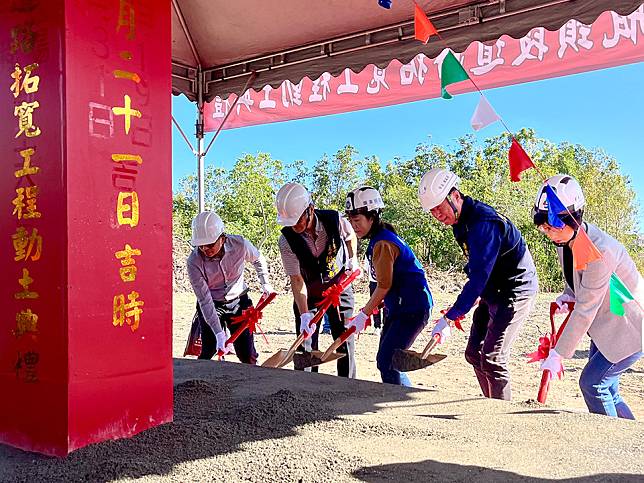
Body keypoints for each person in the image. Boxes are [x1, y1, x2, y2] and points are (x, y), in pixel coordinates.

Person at [418, 168, 538, 400]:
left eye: (439, 207)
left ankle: (500, 417)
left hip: (515, 290)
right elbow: (476, 266)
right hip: (493, 289)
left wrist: (450, 317)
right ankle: (490, 403)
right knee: (474, 353)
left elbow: (479, 276)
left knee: (493, 359)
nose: (437, 215)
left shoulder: (483, 223)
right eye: (431, 211)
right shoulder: (460, 223)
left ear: (455, 196)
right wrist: (460, 309)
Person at [534, 175, 643, 419]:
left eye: (555, 226)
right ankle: (631, 440)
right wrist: (567, 295)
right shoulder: (569, 240)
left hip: (630, 327)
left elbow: (586, 308)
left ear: (575, 217)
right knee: (610, 391)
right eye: (545, 227)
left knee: (594, 385)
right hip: (607, 327)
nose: (550, 233)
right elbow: (578, 282)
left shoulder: (600, 250)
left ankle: (610, 443)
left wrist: (558, 354)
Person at [344, 186, 433, 386]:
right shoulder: (378, 239)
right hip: (400, 308)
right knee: (386, 361)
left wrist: (363, 314)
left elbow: (383, 286)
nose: (353, 226)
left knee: (389, 362)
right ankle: (402, 399)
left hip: (412, 309)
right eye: (350, 221)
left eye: (357, 220)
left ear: (372, 217)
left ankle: (402, 403)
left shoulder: (383, 243)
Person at [275, 182, 358, 377]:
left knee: (344, 338)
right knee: (306, 346)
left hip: (339, 287)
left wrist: (352, 258)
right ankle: (306, 387)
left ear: (310, 210)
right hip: (309, 293)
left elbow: (350, 235)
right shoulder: (286, 239)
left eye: (298, 221)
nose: (294, 227)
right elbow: (296, 279)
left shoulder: (334, 219)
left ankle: (347, 385)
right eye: (290, 223)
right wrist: (305, 315)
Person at [187, 211, 274, 364]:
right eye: (201, 246)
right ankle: (200, 384)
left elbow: (258, 258)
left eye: (210, 245)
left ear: (222, 238)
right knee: (209, 349)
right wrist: (219, 334)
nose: (205, 250)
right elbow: (204, 300)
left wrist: (265, 282)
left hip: (239, 302)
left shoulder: (240, 245)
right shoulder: (194, 261)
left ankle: (252, 382)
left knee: (246, 353)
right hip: (212, 304)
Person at [364, 256, 383, 335]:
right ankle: (377, 326)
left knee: (387, 304)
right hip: (373, 281)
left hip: (386, 279)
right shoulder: (369, 252)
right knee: (374, 304)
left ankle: (386, 325)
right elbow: (366, 266)